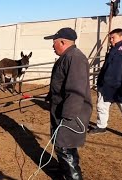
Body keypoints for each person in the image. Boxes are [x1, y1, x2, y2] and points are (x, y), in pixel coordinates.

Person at [44, 27, 92, 180]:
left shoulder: (75, 58)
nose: (53, 46)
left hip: (71, 114)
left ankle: (72, 176)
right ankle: (65, 171)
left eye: (54, 43)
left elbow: (76, 89)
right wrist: (51, 95)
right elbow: (62, 82)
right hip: (62, 109)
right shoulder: (67, 57)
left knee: (64, 146)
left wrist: (67, 116)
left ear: (63, 42)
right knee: (64, 146)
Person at [88, 28, 122, 143]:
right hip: (106, 86)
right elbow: (106, 67)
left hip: (121, 86)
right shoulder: (112, 49)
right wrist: (100, 81)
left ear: (121, 37)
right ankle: (101, 126)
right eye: (110, 38)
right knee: (102, 107)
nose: (111, 40)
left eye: (113, 37)